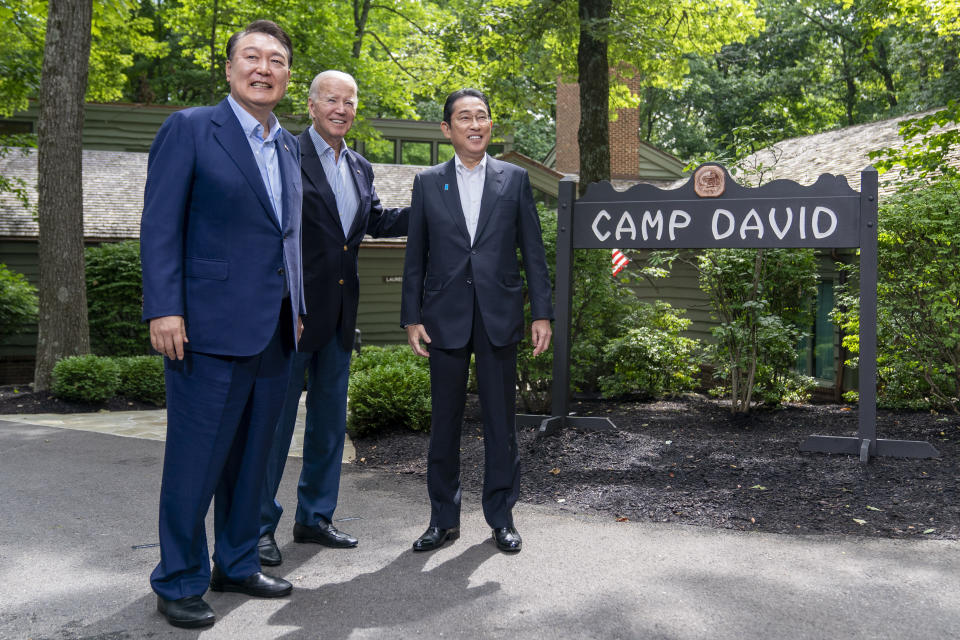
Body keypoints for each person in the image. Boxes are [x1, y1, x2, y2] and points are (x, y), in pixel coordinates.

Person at [139, 19, 305, 629]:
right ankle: (178, 578)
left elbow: (287, 241)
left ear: (288, 76)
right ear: (230, 68)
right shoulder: (190, 129)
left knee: (253, 458)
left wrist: (300, 310)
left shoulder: (287, 146)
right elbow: (160, 224)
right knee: (196, 461)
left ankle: (235, 561)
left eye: (277, 60)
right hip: (204, 329)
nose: (265, 68)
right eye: (253, 57)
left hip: (274, 331)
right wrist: (164, 306)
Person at [257, 70, 409, 566]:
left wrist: (433, 200)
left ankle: (314, 518)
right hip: (293, 318)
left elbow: (374, 222)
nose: (341, 108)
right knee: (275, 427)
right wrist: (286, 304)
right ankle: (257, 525)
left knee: (328, 425)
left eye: (349, 101)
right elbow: (272, 234)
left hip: (341, 320)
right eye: (331, 100)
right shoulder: (286, 155)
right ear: (312, 105)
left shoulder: (361, 167)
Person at [400, 88, 553, 554]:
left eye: (482, 116)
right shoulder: (428, 182)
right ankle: (443, 519)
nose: (474, 124)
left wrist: (541, 312)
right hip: (442, 320)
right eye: (464, 117)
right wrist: (411, 317)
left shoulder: (516, 179)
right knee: (443, 423)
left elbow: (533, 251)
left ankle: (501, 517)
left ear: (490, 125)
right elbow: (416, 256)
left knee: (500, 424)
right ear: (447, 129)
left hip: (498, 317)